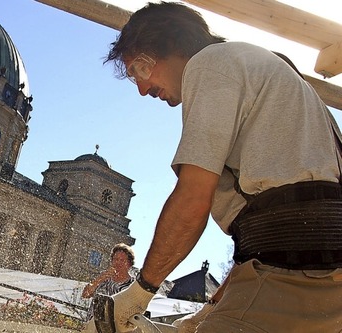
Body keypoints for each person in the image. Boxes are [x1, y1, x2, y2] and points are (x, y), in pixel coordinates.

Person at [102, 2, 342, 332]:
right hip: (322, 277)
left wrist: (139, 293)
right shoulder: (268, 74)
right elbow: (277, 220)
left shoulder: (211, 64)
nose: (143, 89)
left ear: (172, 44)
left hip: (298, 277)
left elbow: (192, 200)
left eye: (140, 69)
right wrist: (210, 310)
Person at [80, 243, 135, 333]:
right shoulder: (103, 277)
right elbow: (85, 294)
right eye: (115, 259)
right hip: (92, 325)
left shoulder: (132, 284)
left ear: (129, 264)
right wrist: (100, 279)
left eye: (122, 260)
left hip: (116, 329)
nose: (118, 263)